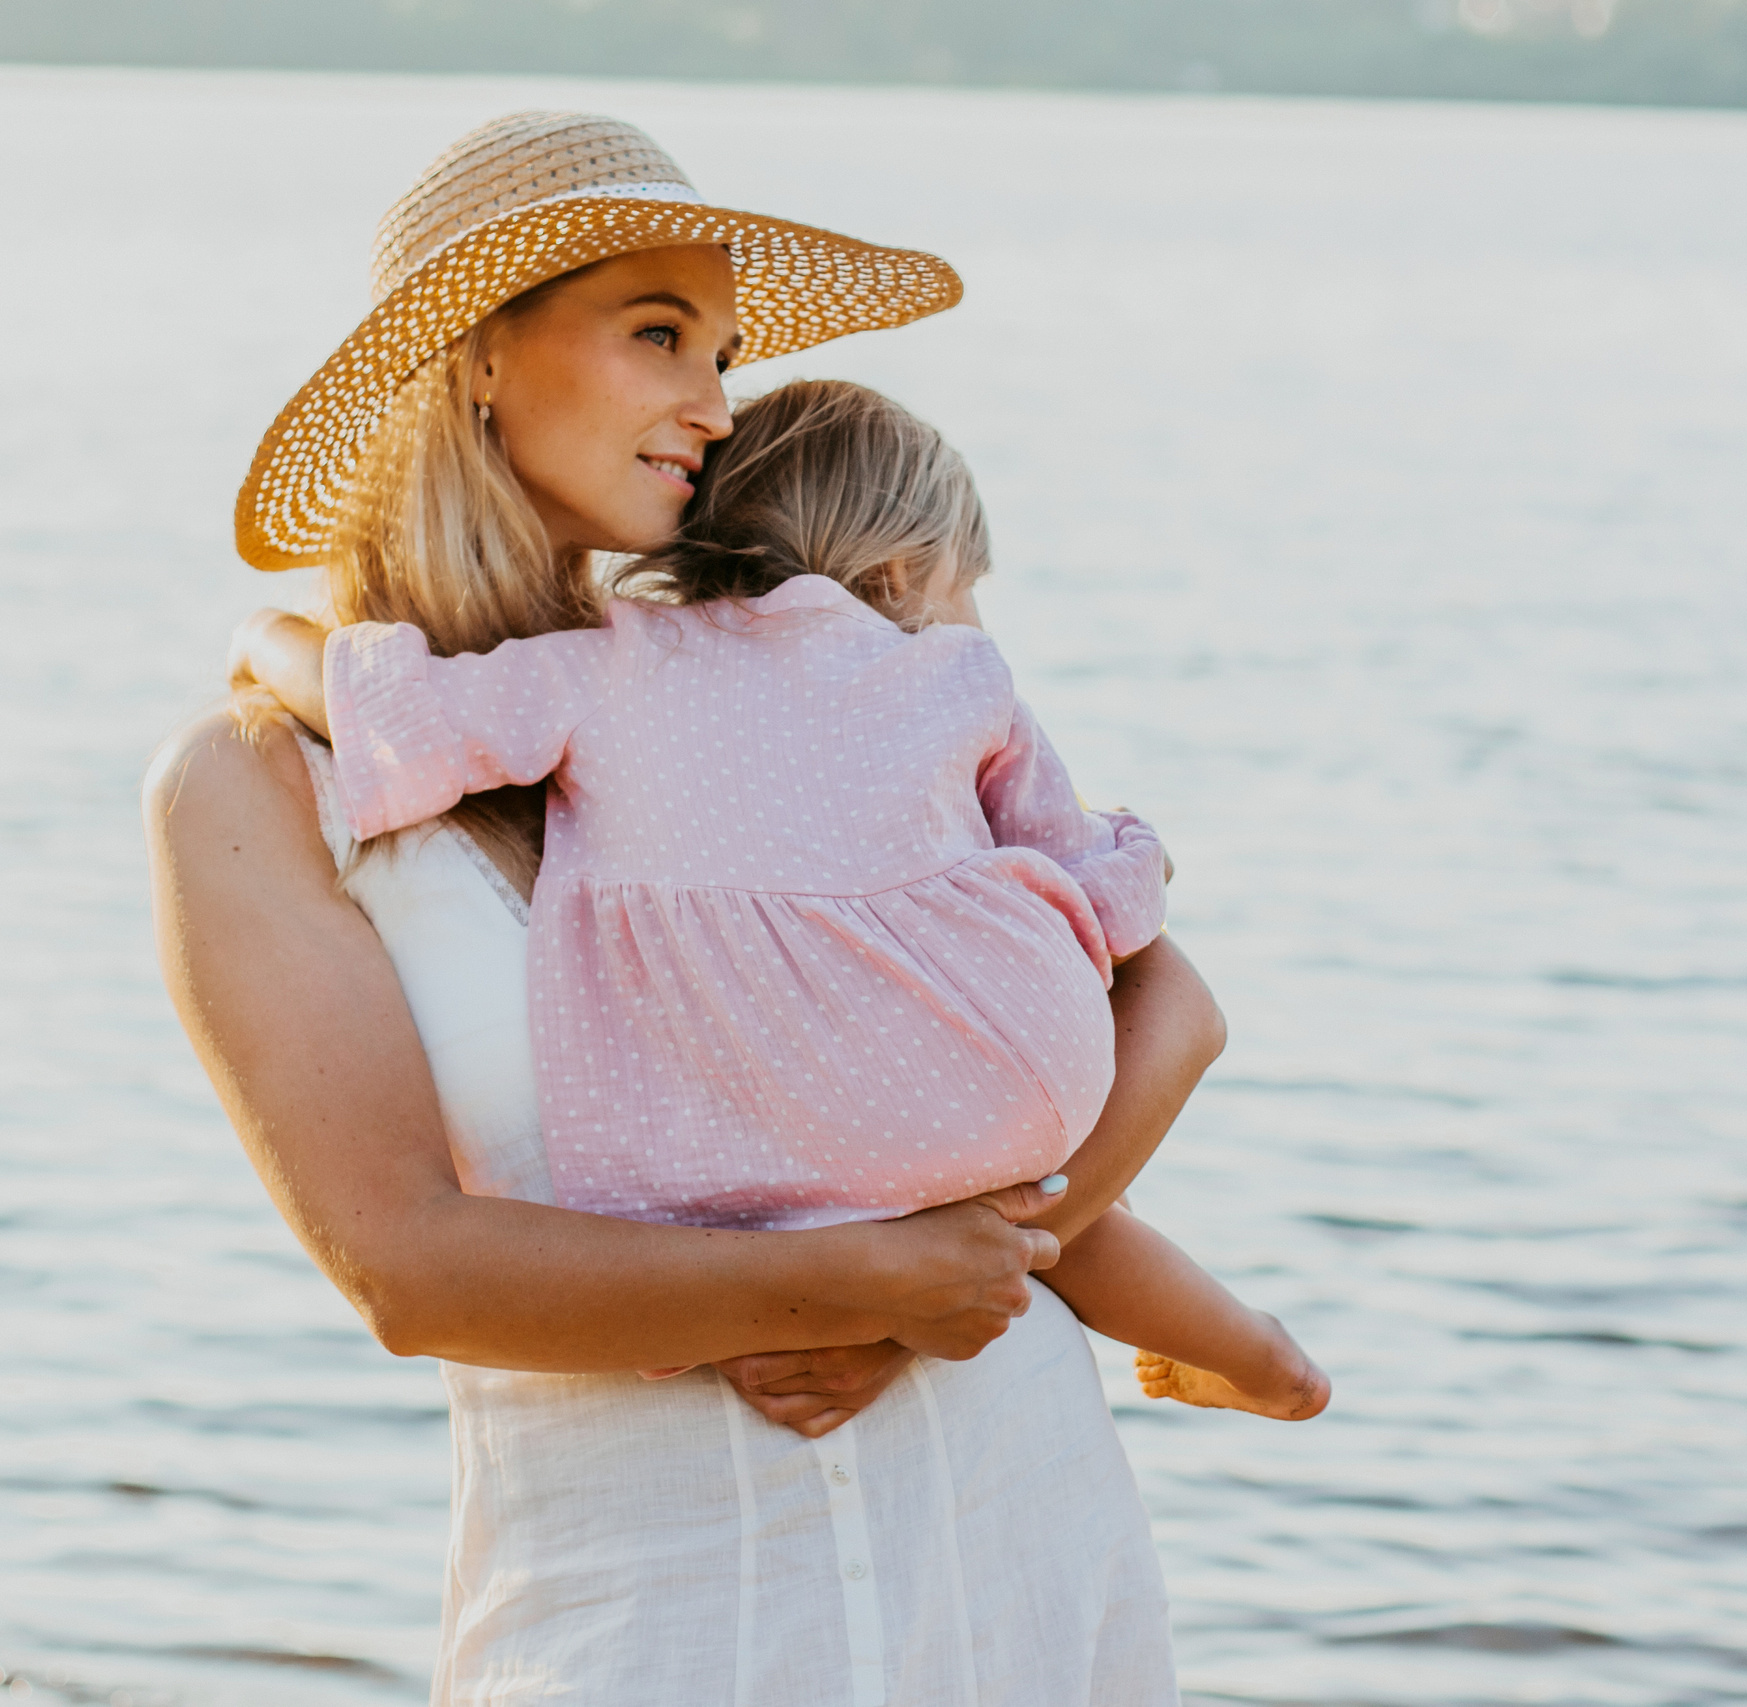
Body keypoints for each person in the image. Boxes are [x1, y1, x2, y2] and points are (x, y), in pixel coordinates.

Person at [143, 110, 1230, 1701]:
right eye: (660, 335)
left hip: (1017, 1549)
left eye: (723, 353)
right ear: (474, 355)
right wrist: (861, 1289)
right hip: (658, 1622)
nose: (718, 406)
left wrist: (945, 1286)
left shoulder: (780, 668)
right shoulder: (256, 786)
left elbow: (1167, 1002)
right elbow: (407, 1269)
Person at [233, 376, 1332, 1421]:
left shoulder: (598, 660)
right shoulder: (960, 675)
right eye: (970, 587)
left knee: (905, 1160)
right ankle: (1262, 1361)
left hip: (736, 1134)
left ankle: (1248, 1355)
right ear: (897, 577)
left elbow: (387, 715)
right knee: (1018, 1188)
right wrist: (1139, 864)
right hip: (1019, 1072)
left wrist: (260, 637)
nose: (975, 619)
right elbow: (1100, 896)